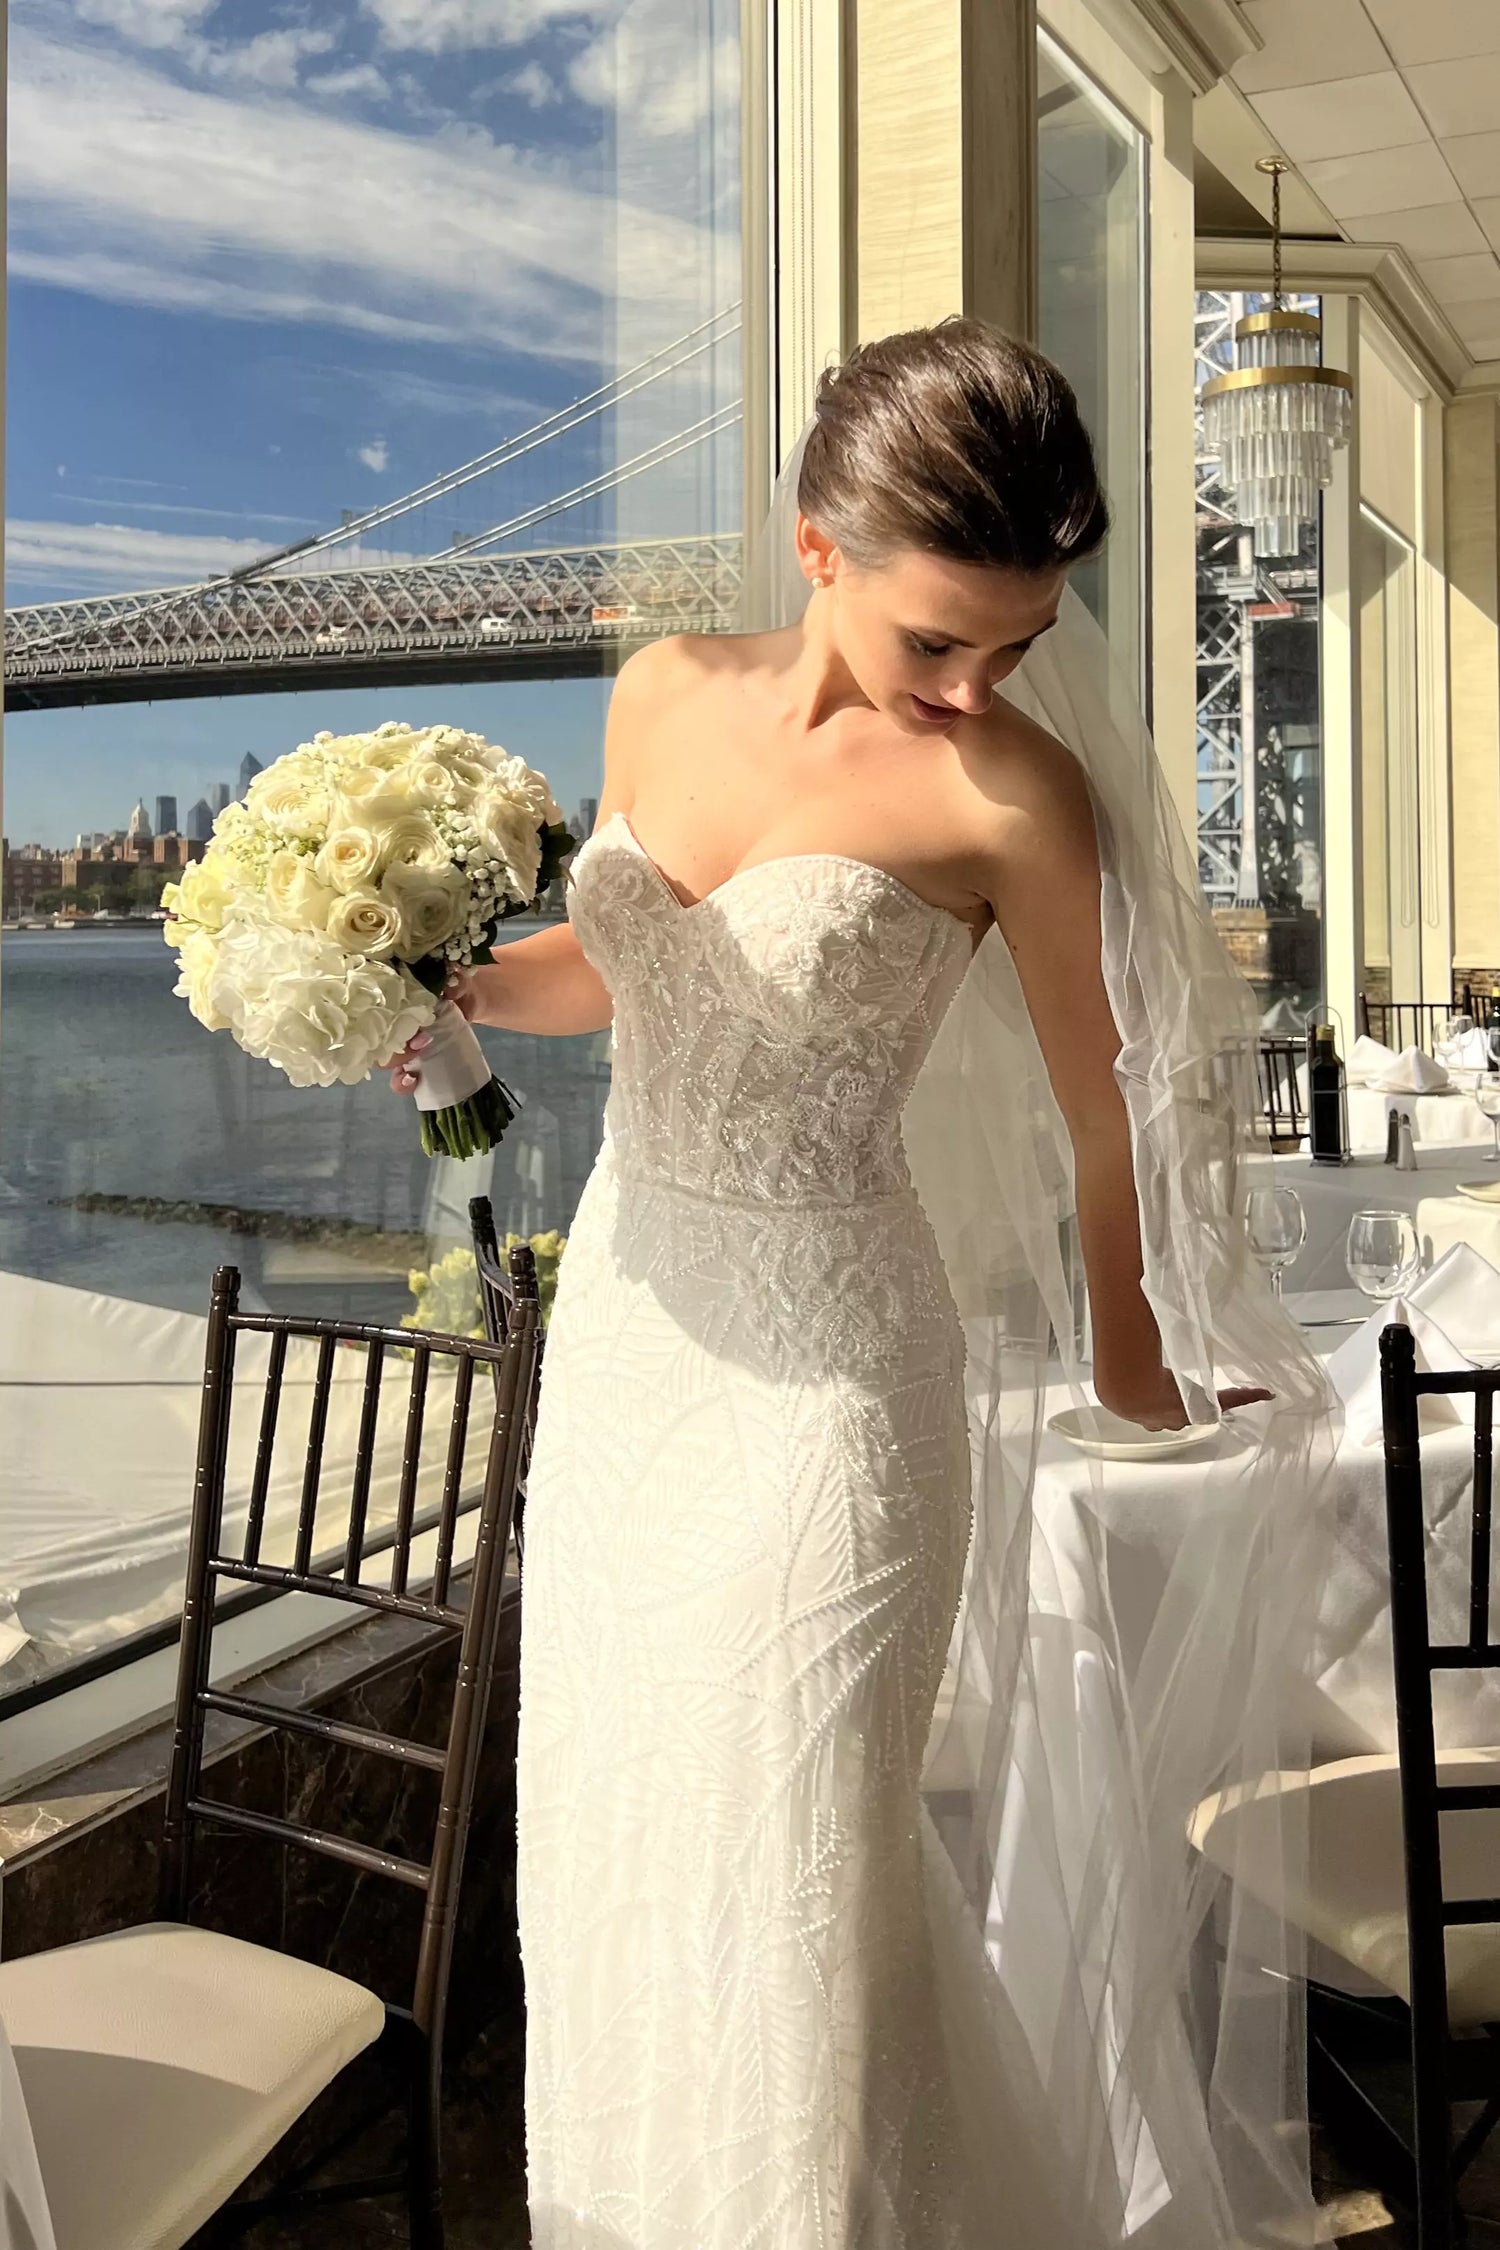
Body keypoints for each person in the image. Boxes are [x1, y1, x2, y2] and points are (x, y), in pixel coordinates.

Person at [390, 320, 1333, 2247]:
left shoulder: (1012, 798)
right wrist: (434, 986)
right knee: (629, 1845)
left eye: (1018, 641)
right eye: (940, 640)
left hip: (842, 1396)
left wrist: (1139, 1345)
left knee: (806, 1881)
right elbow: (620, 976)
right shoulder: (655, 692)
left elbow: (1107, 1106)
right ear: (819, 553)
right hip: (639, 1357)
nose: (979, 682)